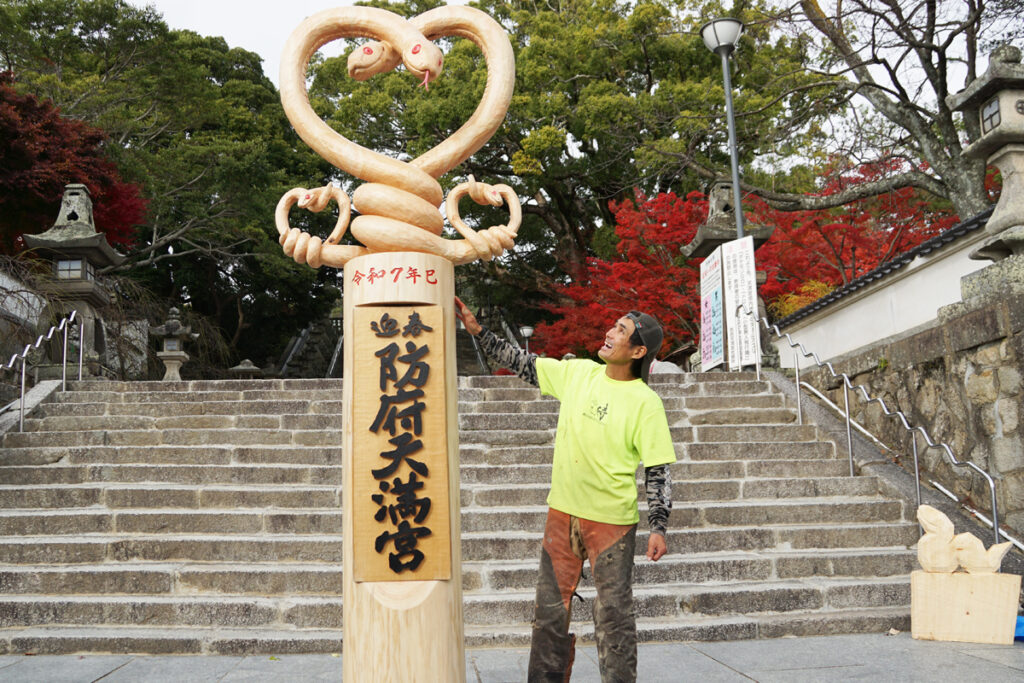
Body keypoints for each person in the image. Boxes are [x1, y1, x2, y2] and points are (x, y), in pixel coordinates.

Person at [455, 297, 676, 683]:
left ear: (638, 351)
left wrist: (659, 525)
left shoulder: (647, 403)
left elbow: (657, 469)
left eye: (621, 331)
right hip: (562, 514)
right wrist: (479, 331)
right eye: (614, 325)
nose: (610, 332)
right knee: (549, 613)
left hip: (612, 525)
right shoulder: (579, 373)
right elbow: (523, 363)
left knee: (614, 619)